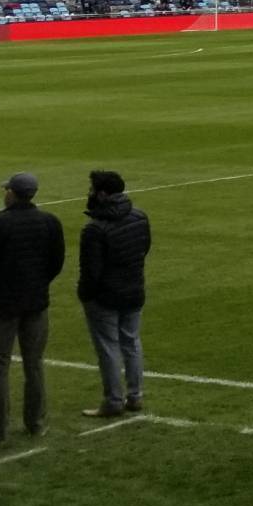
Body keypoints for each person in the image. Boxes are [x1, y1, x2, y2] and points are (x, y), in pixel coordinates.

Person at [0, 173, 65, 445]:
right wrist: (38, 284)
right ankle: (35, 423)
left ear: (12, 193)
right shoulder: (49, 222)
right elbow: (55, 262)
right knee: (34, 363)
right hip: (35, 302)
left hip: (2, 305)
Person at [77, 169, 152, 419]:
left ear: (102, 194)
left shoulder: (95, 229)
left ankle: (113, 400)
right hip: (134, 289)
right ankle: (136, 394)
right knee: (131, 341)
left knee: (108, 348)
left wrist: (86, 294)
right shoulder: (140, 217)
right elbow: (144, 249)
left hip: (105, 296)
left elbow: (91, 270)